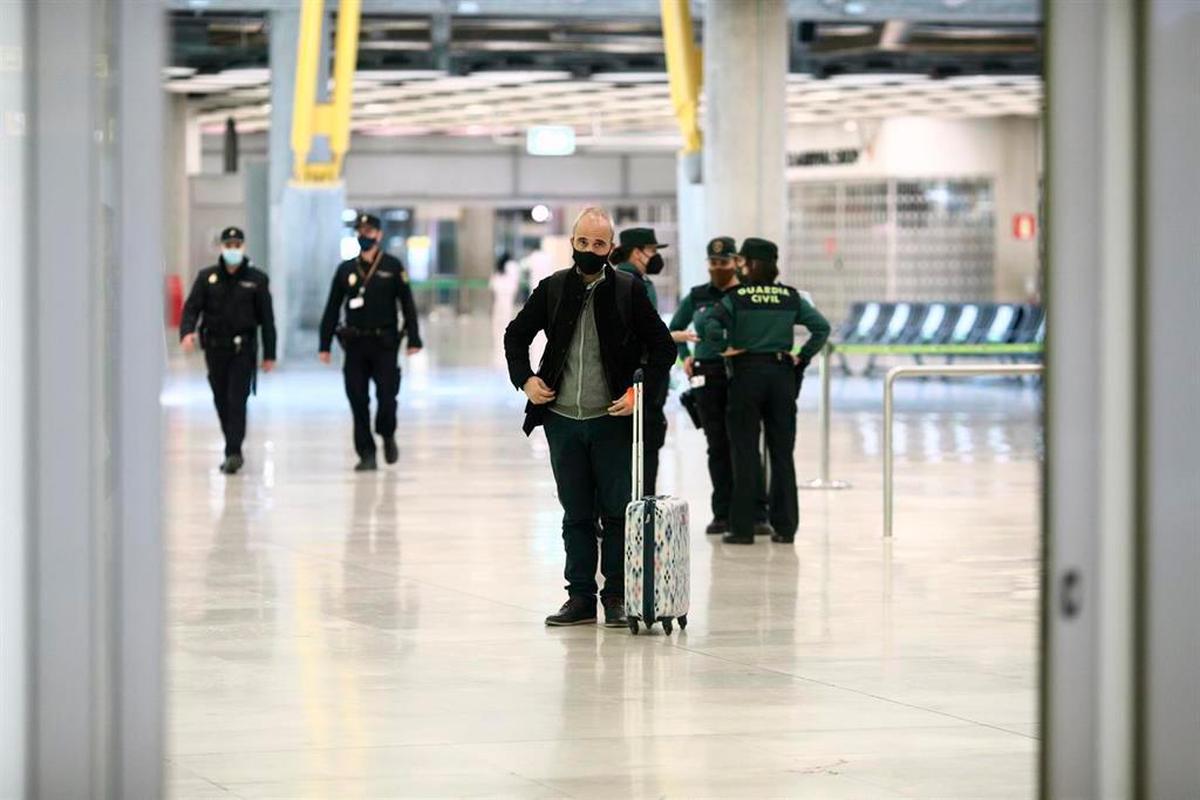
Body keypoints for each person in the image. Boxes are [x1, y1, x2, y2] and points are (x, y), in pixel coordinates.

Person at [503, 207, 676, 628]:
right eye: (583, 243)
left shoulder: (628, 291)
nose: (589, 250)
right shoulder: (554, 288)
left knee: (616, 512)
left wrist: (639, 391)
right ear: (573, 243)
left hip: (611, 419)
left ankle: (615, 595)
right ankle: (579, 596)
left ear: (610, 248)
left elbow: (663, 349)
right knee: (575, 513)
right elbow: (516, 335)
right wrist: (525, 380)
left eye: (598, 244)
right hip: (562, 420)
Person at [702, 237, 831, 545]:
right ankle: (785, 528)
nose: (742, 267)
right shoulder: (791, 297)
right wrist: (802, 356)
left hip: (746, 375)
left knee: (745, 451)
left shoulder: (738, 296)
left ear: (755, 264)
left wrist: (724, 347)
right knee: (782, 453)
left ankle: (743, 528)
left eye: (744, 262)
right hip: (781, 376)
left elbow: (709, 326)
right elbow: (821, 328)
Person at [670, 236, 769, 536]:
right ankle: (722, 512)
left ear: (736, 262)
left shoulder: (747, 295)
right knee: (718, 446)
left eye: (723, 263)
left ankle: (756, 513)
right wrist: (685, 357)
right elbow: (675, 328)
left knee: (747, 444)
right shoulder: (698, 296)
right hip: (708, 374)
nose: (718, 268)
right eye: (713, 263)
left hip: (742, 373)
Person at [319, 213, 423, 472]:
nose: (364, 236)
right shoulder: (345, 269)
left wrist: (414, 337)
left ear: (379, 234)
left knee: (387, 397)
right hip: (354, 345)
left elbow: (407, 304)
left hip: (385, 344)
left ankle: (387, 434)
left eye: (369, 231)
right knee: (357, 399)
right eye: (360, 231)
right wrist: (324, 343)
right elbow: (332, 308)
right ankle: (366, 453)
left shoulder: (392, 266)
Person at [180, 226, 277, 475]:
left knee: (237, 399)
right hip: (215, 349)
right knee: (221, 400)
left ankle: (233, 452)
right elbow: (192, 308)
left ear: (243, 247)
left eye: (237, 245)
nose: (233, 249)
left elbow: (267, 320)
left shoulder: (256, 280)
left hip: (242, 350)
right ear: (222, 248)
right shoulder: (207, 278)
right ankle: (232, 445)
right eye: (228, 245)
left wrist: (269, 354)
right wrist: (187, 332)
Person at [612, 227, 670, 493]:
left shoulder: (617, 278)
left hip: (626, 375)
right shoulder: (635, 284)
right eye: (653, 251)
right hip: (640, 377)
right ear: (638, 253)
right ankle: (640, 512)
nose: (655, 257)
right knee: (644, 446)